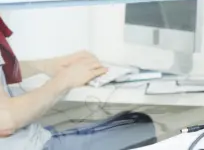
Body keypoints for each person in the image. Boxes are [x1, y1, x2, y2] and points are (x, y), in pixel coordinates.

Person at [0, 15, 156, 149]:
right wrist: (66, 79)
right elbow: (5, 121)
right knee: (142, 127)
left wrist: (47, 65)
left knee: (137, 121)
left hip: (31, 138)